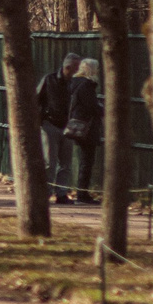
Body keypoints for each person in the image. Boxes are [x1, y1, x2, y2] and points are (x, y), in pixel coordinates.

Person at [37, 53, 80, 201]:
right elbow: (37, 99)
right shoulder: (49, 80)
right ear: (68, 67)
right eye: (76, 68)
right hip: (50, 124)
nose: (78, 71)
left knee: (66, 163)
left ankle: (61, 193)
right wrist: (40, 120)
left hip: (67, 126)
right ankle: (46, 192)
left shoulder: (75, 83)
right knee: (50, 162)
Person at [65, 57, 103, 204]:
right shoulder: (87, 85)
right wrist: (102, 109)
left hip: (74, 124)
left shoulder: (73, 83)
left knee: (82, 160)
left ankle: (80, 192)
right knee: (87, 161)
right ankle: (82, 194)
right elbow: (91, 106)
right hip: (86, 127)